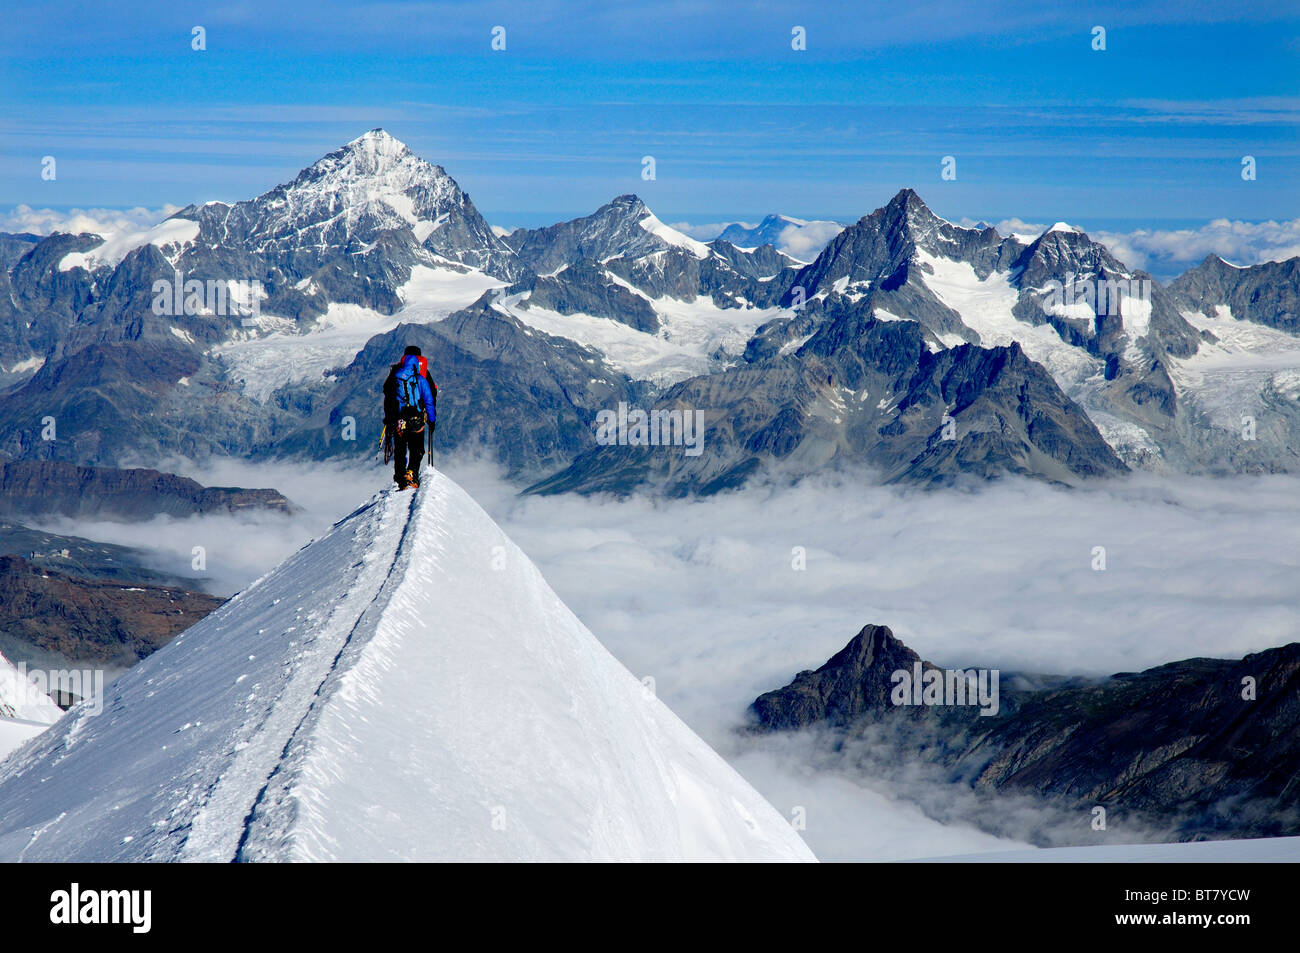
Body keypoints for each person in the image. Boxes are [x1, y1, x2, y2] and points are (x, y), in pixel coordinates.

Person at [383, 345, 436, 490]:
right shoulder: (421, 378)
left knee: (400, 449)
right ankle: (412, 474)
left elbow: (387, 394)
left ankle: (401, 478)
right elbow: (430, 400)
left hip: (399, 420)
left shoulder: (395, 375)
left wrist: (389, 418)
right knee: (416, 448)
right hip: (417, 420)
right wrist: (432, 420)